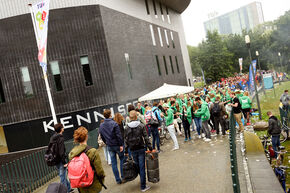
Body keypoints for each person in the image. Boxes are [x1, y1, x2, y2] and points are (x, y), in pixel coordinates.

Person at [69, 127, 105, 193]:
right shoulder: (92, 151)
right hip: (93, 185)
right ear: (86, 137)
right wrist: (102, 178)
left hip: (81, 186)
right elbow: (99, 171)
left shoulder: (72, 153)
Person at [124, 110, 153, 192]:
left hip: (132, 150)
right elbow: (146, 138)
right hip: (141, 148)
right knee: (142, 167)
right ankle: (143, 186)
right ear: (136, 117)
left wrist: (126, 151)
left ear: (129, 118)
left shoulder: (126, 128)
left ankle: (142, 181)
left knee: (137, 166)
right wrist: (150, 148)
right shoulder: (141, 126)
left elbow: (125, 140)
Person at [99, 109, 124, 184]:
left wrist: (106, 142)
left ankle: (117, 179)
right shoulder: (114, 124)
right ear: (110, 114)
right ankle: (123, 176)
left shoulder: (101, 125)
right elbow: (118, 136)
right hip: (117, 145)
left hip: (109, 146)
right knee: (122, 159)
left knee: (114, 163)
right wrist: (121, 145)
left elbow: (102, 136)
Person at [49, 123, 72, 192]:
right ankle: (64, 191)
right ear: (61, 129)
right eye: (63, 127)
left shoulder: (52, 137)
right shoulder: (60, 138)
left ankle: (68, 188)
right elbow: (61, 152)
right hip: (61, 160)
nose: (63, 128)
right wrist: (64, 162)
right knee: (62, 177)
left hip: (55, 160)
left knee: (62, 175)